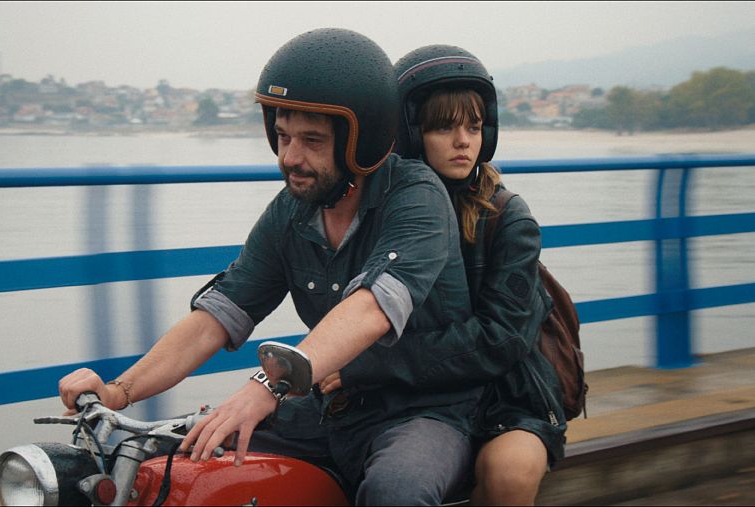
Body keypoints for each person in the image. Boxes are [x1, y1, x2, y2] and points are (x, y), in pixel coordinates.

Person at [58, 29, 484, 506]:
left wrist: (268, 385)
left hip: (422, 413)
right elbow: (218, 316)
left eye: (311, 140)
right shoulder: (293, 209)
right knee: (173, 464)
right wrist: (119, 392)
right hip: (330, 409)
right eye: (282, 137)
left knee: (395, 492)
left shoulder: (416, 198)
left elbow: (370, 309)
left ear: (360, 142)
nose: (289, 158)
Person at [392, 44, 568, 505]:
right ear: (411, 133)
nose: (463, 141)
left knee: (508, 475)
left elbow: (502, 338)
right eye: (444, 127)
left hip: (505, 396)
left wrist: (372, 366)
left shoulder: (507, 218)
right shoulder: (391, 212)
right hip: (416, 396)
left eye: (473, 126)